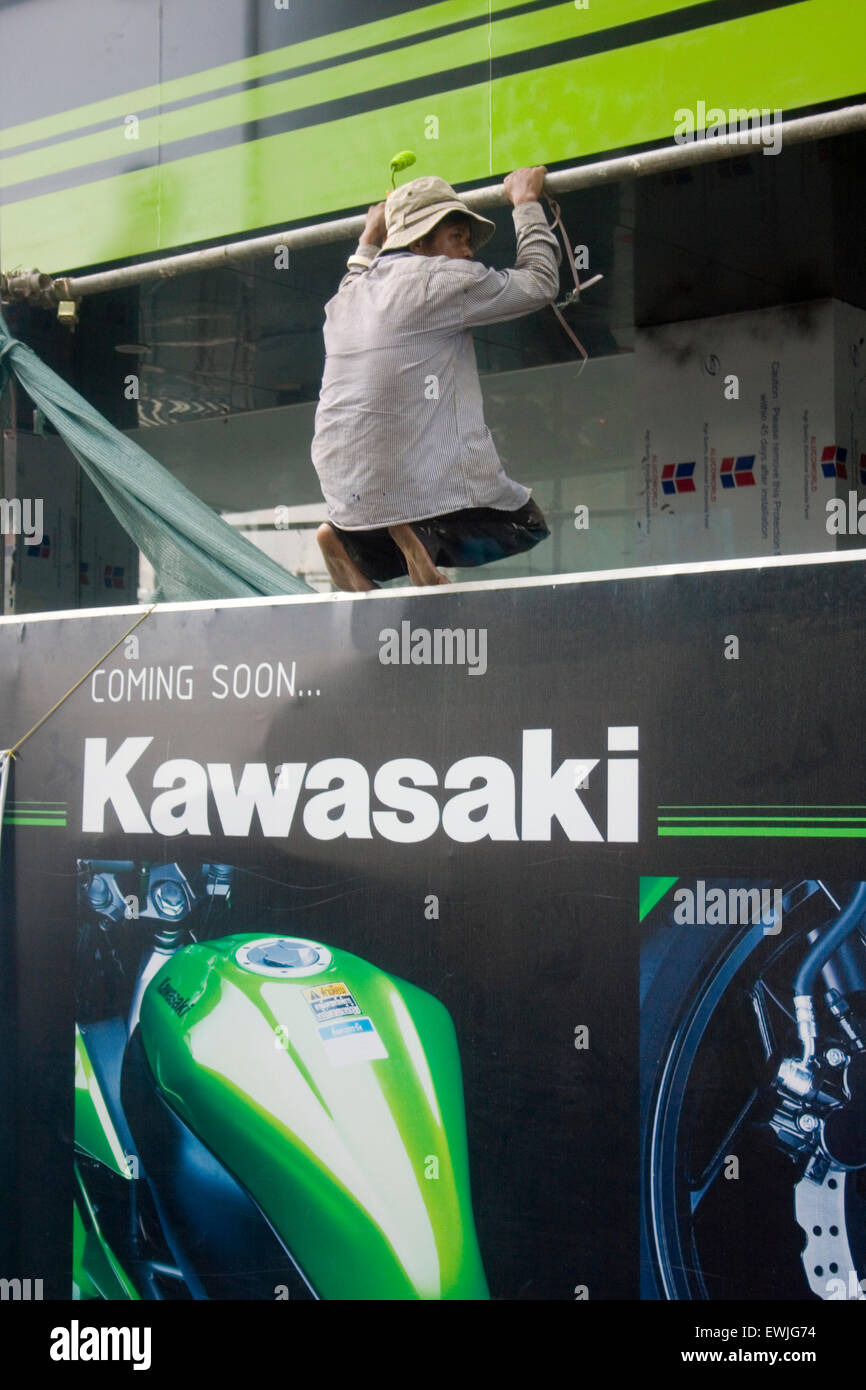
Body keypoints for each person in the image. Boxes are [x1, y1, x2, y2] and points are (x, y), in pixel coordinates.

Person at [311, 167, 562, 590]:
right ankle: (420, 540)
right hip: (409, 487)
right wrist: (526, 202)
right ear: (418, 243)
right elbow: (539, 283)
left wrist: (368, 238)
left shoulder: (346, 296)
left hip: (343, 489)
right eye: (457, 238)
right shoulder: (442, 281)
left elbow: (356, 270)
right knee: (526, 523)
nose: (466, 254)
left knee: (387, 511)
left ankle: (345, 540)